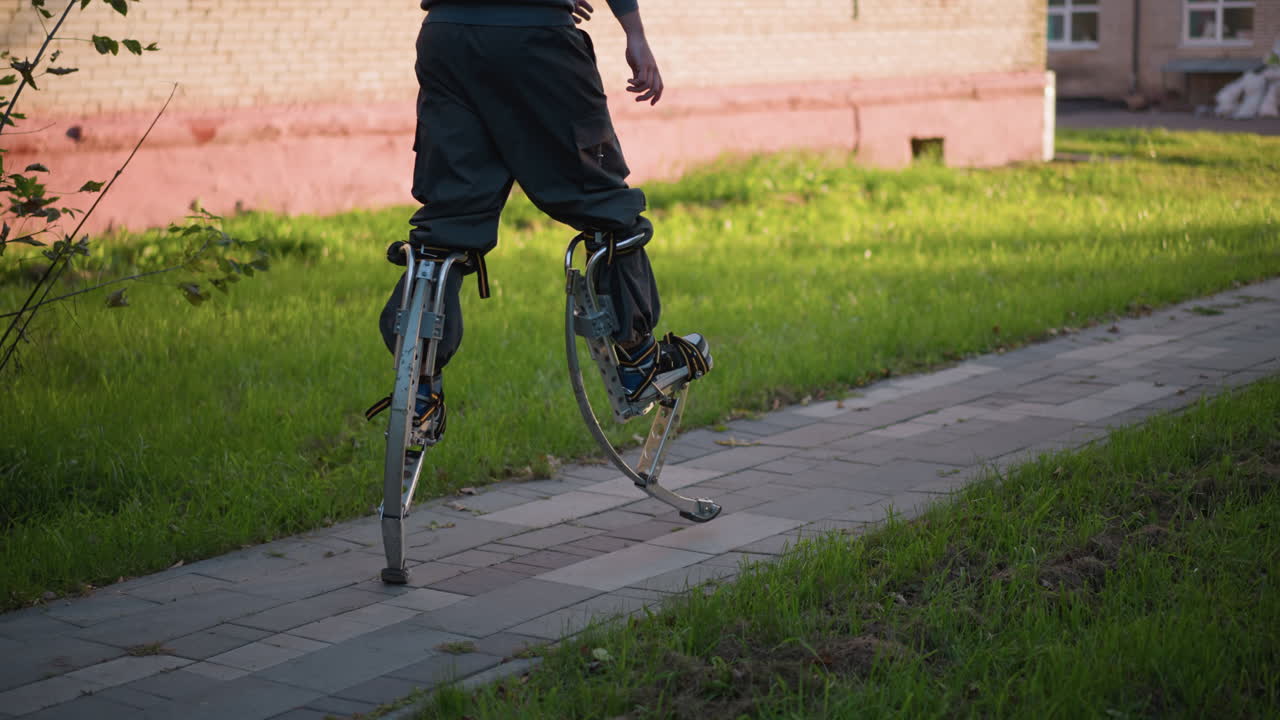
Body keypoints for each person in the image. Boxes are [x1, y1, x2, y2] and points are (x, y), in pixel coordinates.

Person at [372, 0, 712, 441]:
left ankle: (418, 395)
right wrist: (635, 35)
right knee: (602, 199)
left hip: (447, 37)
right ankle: (640, 361)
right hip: (534, 38)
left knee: (449, 219)